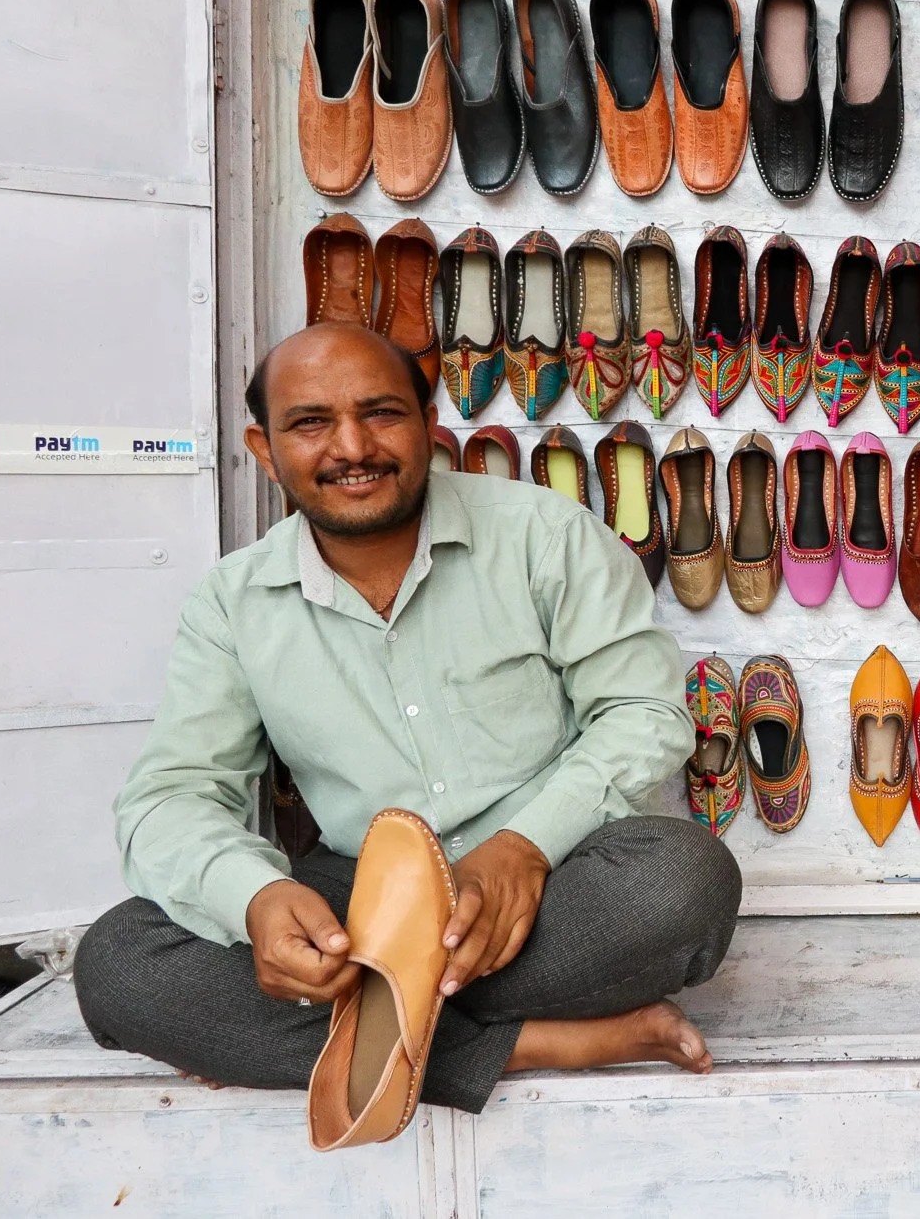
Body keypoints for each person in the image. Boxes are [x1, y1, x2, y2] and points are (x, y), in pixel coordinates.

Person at [73, 322, 737, 1116]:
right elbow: (171, 795)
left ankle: (357, 1033)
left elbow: (644, 712)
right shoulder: (233, 602)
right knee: (118, 961)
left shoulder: (544, 535)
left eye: (381, 413)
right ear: (263, 445)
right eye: (311, 422)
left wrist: (522, 847)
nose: (351, 446)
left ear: (430, 425)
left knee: (681, 881)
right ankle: (530, 1042)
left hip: (549, 876)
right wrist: (253, 897)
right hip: (362, 905)